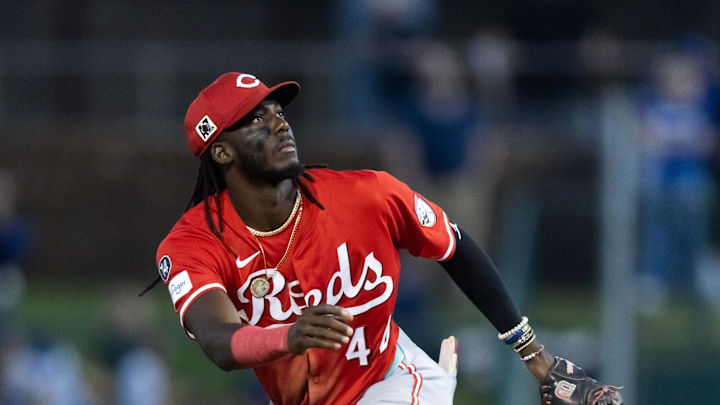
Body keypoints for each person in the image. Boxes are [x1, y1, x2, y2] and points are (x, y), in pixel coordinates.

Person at [151, 72, 622, 404]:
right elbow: (217, 340)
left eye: (277, 111)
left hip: (396, 380)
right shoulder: (194, 244)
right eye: (254, 119)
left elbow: (453, 246)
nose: (278, 123)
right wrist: (287, 336)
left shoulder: (367, 195)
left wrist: (534, 356)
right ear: (221, 150)